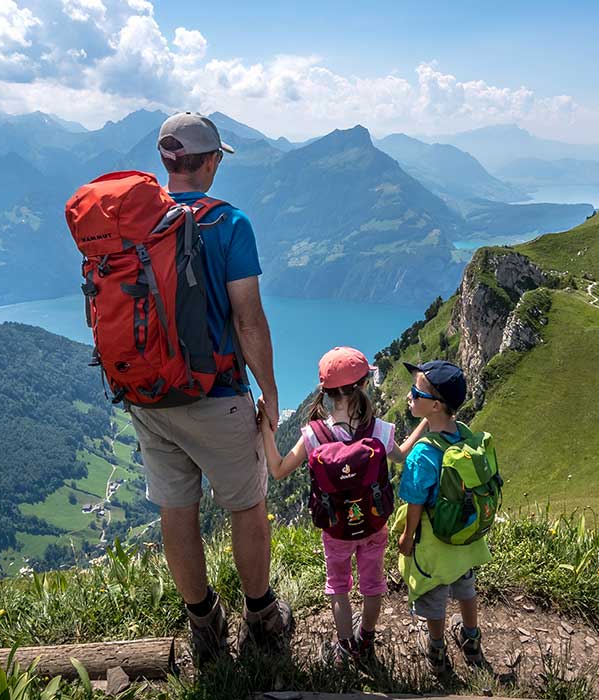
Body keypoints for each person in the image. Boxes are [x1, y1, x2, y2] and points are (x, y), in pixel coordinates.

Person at [125, 112, 290, 665]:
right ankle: (261, 617)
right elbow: (248, 319)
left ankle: (204, 625)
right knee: (247, 506)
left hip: (149, 395)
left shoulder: (136, 222)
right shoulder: (229, 223)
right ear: (213, 161)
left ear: (166, 161)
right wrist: (269, 391)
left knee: (177, 509)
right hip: (216, 394)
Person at [260, 347, 427, 662]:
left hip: (336, 529)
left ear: (325, 392)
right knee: (373, 585)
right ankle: (366, 639)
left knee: (338, 587)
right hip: (374, 523)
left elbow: (279, 469)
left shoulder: (314, 435)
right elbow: (402, 455)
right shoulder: (379, 429)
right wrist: (425, 423)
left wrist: (265, 430)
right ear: (363, 385)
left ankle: (346, 646)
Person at [395, 360, 492, 674]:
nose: (409, 396)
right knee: (466, 586)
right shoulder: (464, 433)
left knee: (433, 595)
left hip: (435, 542)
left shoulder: (422, 453)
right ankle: (471, 639)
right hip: (465, 536)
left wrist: (407, 536)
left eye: (415, 392)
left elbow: (414, 502)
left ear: (435, 405)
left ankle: (436, 650)